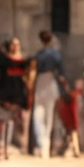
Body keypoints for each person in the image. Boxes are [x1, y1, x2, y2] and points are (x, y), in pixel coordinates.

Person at [0, 37, 32, 159]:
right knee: (3, 120)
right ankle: (1, 145)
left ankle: (13, 146)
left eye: (17, 44)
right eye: (13, 44)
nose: (15, 47)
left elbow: (28, 77)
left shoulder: (24, 61)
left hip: (19, 95)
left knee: (16, 121)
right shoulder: (3, 60)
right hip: (5, 94)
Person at [32, 31, 64, 159]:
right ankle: (46, 143)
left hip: (41, 82)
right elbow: (60, 71)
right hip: (50, 82)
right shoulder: (55, 54)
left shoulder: (39, 55)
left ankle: (42, 143)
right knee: (49, 116)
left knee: (38, 114)